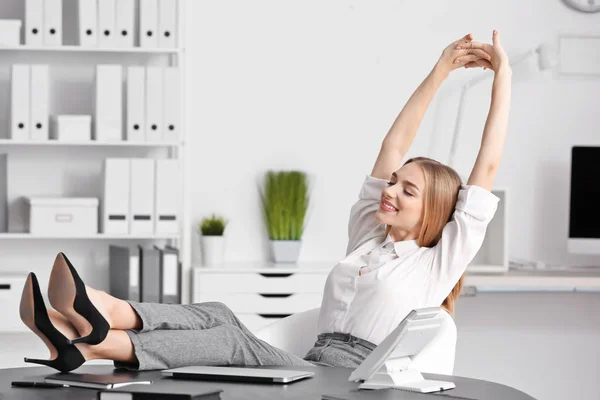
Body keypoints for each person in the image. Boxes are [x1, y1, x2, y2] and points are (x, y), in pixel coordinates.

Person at [19, 31, 511, 373]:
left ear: (435, 212)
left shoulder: (434, 265)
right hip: (315, 364)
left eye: (408, 190)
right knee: (221, 313)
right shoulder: (369, 239)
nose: (390, 190)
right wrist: (439, 70)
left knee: (230, 339)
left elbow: (485, 167)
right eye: (393, 183)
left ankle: (95, 339)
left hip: (356, 381)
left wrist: (503, 78)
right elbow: (393, 146)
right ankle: (92, 315)